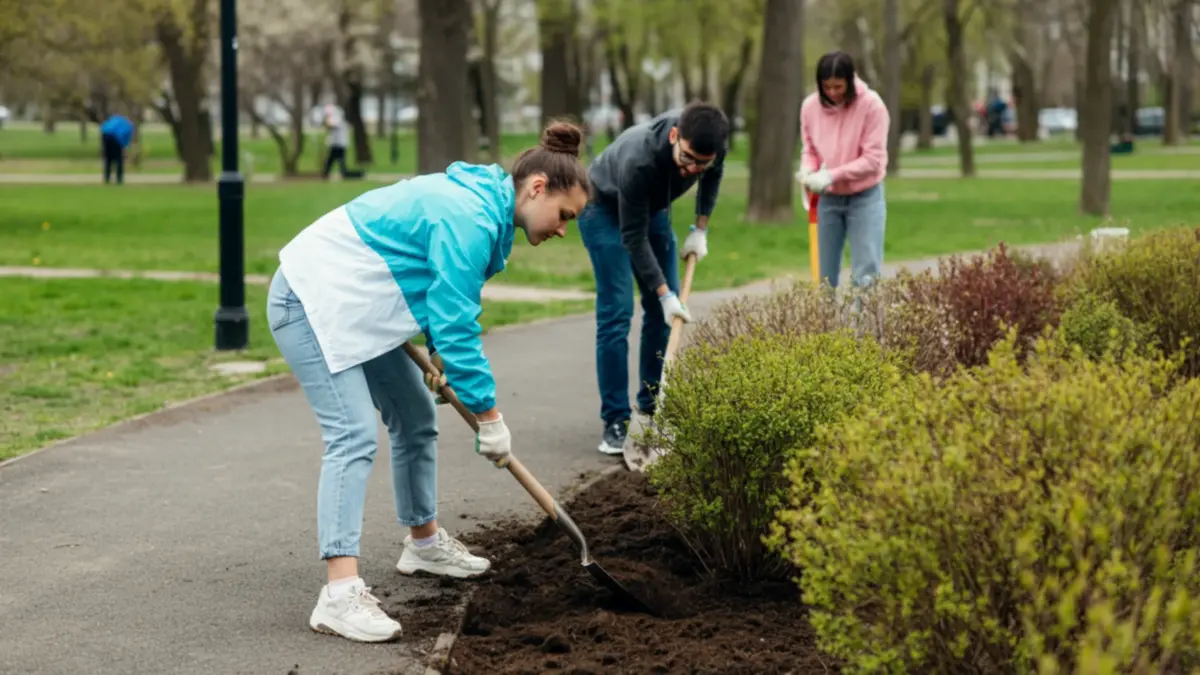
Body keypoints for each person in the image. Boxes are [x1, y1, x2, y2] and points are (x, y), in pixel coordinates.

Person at [266, 121, 591, 643]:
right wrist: (489, 417)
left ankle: (422, 544)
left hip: (359, 309)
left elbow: (446, 305)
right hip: (309, 301)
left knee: (416, 417)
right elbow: (459, 323)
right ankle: (339, 594)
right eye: (565, 215)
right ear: (537, 189)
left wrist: (442, 358)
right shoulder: (470, 217)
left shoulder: (489, 215)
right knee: (352, 435)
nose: (562, 229)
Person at [579, 102, 730, 455]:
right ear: (675, 136)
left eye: (702, 163)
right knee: (617, 312)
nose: (693, 169)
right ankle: (615, 420)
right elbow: (633, 237)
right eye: (689, 158)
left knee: (668, 316)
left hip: (654, 207)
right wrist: (662, 293)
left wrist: (700, 228)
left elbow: (712, 179)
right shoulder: (639, 159)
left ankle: (649, 407)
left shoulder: (710, 147)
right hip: (603, 208)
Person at [796, 51, 890, 290]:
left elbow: (873, 160)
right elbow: (810, 149)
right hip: (828, 199)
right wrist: (807, 171)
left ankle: (864, 328)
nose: (832, 93)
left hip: (865, 197)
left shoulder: (872, 106)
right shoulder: (809, 107)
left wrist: (831, 174)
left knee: (865, 274)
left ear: (850, 80)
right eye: (826, 87)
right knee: (823, 277)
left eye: (838, 86)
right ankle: (825, 325)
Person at [99, 114, 135, 185]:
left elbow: (104, 127)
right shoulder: (128, 126)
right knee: (119, 159)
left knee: (108, 159)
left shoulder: (116, 119)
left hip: (105, 135)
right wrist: (124, 149)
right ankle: (119, 178)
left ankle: (107, 178)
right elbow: (124, 138)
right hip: (115, 137)